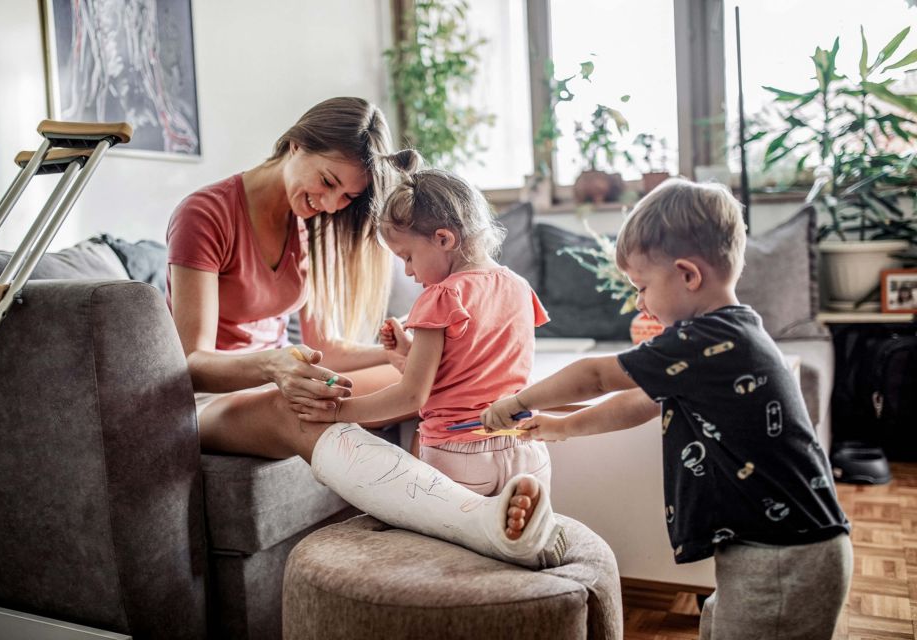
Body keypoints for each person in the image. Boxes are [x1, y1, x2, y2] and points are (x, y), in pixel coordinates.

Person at [166, 97, 564, 569]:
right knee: (298, 406)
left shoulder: (307, 227)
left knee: (424, 381)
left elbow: (327, 349)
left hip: (277, 375)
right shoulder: (206, 214)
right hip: (208, 400)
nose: (332, 205)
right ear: (296, 144)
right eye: (329, 182)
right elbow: (190, 365)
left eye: (348, 198)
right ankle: (475, 518)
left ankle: (491, 466)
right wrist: (275, 366)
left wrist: (407, 356)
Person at [482, 178, 852, 635]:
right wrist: (563, 426)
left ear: (688, 275)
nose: (639, 301)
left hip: (785, 555)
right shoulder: (724, 338)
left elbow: (597, 375)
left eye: (642, 286)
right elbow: (639, 403)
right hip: (772, 547)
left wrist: (517, 401)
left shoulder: (708, 339)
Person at [293, 169, 552, 501]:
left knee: (442, 544)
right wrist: (407, 353)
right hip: (526, 447)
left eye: (408, 257)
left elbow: (411, 396)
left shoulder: (442, 296)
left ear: (443, 239)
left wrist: (337, 411)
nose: (409, 271)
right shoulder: (519, 287)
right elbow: (472, 363)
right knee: (516, 545)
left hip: (460, 455)